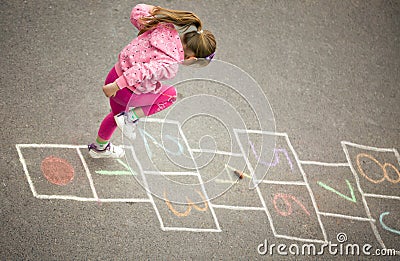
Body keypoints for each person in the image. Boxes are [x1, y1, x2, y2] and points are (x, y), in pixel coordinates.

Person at [88, 3, 216, 158]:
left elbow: (137, 13)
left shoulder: (165, 28)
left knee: (116, 116)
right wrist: (116, 86)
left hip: (114, 74)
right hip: (125, 90)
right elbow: (142, 70)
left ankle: (99, 148)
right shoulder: (170, 65)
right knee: (170, 95)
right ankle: (131, 117)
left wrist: (156, 11)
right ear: (192, 58)